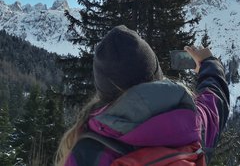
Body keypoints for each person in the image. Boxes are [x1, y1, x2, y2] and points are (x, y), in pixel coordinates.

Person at [56, 25, 230, 165]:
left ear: (103, 91)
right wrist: (208, 63)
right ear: (156, 75)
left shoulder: (88, 153)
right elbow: (215, 98)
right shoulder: (192, 124)